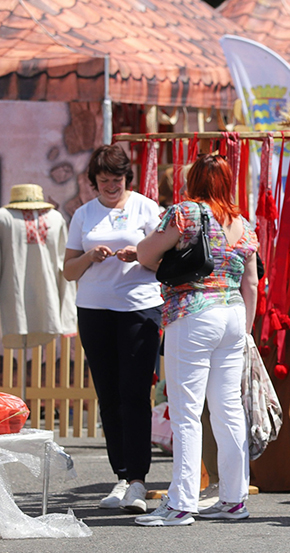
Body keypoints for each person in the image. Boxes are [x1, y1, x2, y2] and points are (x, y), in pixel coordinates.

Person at [135, 153, 258, 526]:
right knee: (228, 410)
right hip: (234, 313)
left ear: (195, 180)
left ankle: (182, 503)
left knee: (186, 411)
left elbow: (145, 252)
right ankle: (234, 499)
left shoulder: (186, 212)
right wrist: (247, 331)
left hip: (193, 311)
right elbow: (251, 281)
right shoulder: (243, 223)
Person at [63, 145, 163, 514]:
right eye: (103, 181)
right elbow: (68, 270)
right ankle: (121, 476)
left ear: (127, 179)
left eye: (116, 180)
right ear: (93, 183)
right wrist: (90, 256)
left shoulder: (147, 208)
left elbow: (165, 260)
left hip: (138, 308)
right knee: (108, 395)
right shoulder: (83, 214)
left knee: (135, 393)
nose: (110, 187)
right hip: (93, 309)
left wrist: (139, 254)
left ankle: (138, 479)